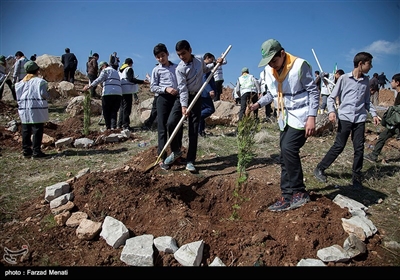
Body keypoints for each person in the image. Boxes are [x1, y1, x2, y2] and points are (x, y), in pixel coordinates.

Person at [249, 38, 320, 212]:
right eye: (269, 62)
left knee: (289, 149)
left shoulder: (299, 65)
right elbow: (272, 95)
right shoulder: (269, 70)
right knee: (284, 156)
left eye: (274, 60)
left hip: (301, 117)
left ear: (282, 53)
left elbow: (313, 91)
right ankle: (287, 195)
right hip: (285, 118)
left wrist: (312, 116)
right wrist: (257, 105)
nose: (272, 65)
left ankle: (299, 192)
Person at [314, 52, 380, 189]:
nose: (371, 66)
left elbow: (367, 101)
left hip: (360, 118)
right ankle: (320, 168)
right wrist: (332, 111)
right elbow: (332, 98)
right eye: (369, 64)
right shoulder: (344, 79)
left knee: (359, 148)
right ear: (361, 64)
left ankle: (356, 177)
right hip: (345, 118)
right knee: (339, 145)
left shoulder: (366, 81)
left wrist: (373, 114)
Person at [166, 40, 222, 172]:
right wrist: (184, 105)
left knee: (194, 128)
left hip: (197, 97)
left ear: (190, 50)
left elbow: (205, 69)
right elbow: (183, 88)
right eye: (179, 55)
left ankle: (190, 160)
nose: (181, 57)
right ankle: (175, 151)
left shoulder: (198, 60)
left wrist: (216, 64)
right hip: (183, 97)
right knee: (171, 122)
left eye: (183, 53)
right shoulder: (180, 69)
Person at [149, 43, 182, 170]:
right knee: (162, 127)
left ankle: (177, 154)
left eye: (162, 55)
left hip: (176, 99)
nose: (161, 58)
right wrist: (166, 89)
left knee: (175, 125)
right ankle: (161, 158)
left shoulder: (176, 67)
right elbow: (153, 87)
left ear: (167, 54)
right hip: (162, 98)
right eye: (158, 57)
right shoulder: (156, 70)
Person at [15, 61, 50, 158]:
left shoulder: (20, 83)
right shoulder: (40, 82)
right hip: (36, 108)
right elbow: (43, 94)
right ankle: (36, 151)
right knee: (37, 129)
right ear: (37, 70)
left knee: (26, 129)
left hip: (24, 108)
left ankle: (26, 150)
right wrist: (49, 94)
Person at [364, 73, 400, 162]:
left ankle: (374, 155)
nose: (390, 83)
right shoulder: (398, 94)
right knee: (383, 136)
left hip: (397, 123)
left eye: (392, 81)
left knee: (383, 136)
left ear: (397, 83)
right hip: (396, 123)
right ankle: (374, 155)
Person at [83, 61, 122, 130]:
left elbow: (99, 79)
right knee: (114, 111)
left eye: (101, 68)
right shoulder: (116, 72)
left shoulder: (105, 71)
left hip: (108, 93)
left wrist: (89, 86)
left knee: (106, 110)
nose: (101, 69)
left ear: (103, 66)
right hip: (118, 93)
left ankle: (108, 127)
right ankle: (113, 127)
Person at [117, 58, 149, 130]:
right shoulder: (129, 69)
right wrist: (142, 82)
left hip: (121, 90)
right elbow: (131, 79)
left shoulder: (120, 70)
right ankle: (126, 125)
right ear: (130, 63)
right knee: (127, 108)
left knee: (122, 108)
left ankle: (120, 124)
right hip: (127, 90)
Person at [199, 53, 217, 137]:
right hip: (205, 94)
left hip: (202, 93)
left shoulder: (202, 67)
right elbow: (204, 80)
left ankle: (200, 131)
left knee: (203, 113)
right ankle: (196, 116)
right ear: (207, 58)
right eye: (211, 60)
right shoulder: (205, 67)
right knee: (210, 109)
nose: (212, 62)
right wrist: (210, 90)